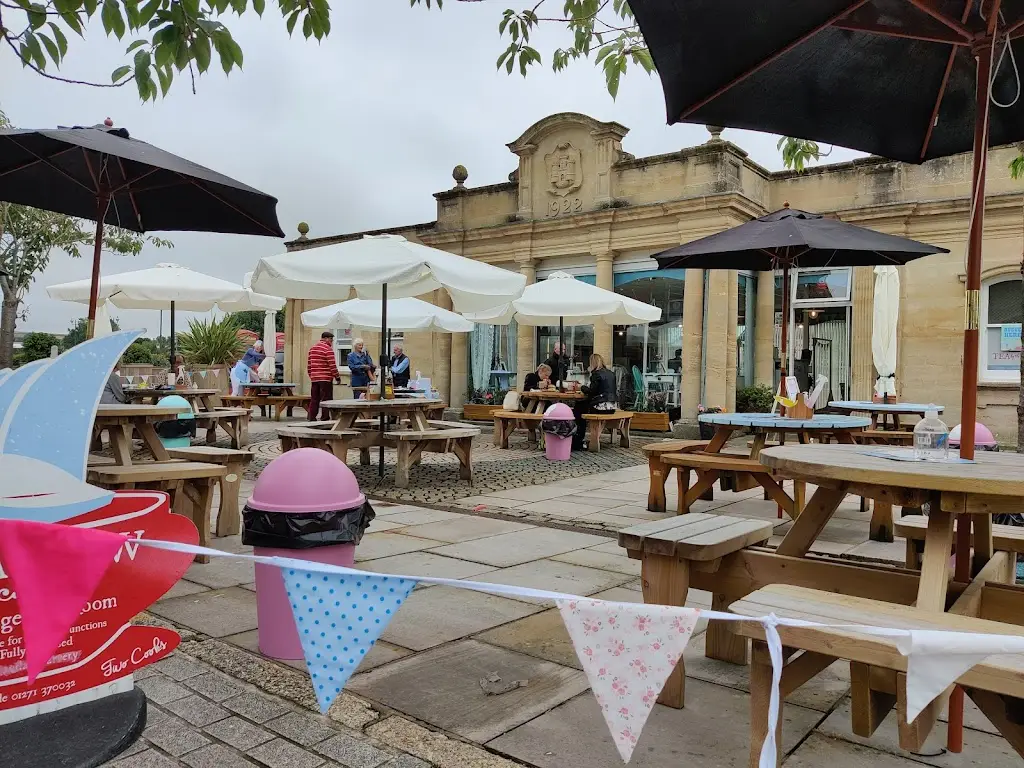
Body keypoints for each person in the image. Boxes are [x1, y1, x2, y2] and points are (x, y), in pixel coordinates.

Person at [573, 353, 618, 450]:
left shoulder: (596, 374)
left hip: (601, 406)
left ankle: (578, 438)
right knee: (581, 407)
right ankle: (578, 438)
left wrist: (582, 387)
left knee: (579, 410)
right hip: (612, 406)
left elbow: (591, 392)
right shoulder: (611, 373)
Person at [307, 331, 342, 420]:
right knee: (326, 399)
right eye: (331, 340)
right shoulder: (327, 349)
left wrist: (312, 376)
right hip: (325, 379)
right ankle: (324, 417)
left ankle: (312, 416)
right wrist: (337, 377)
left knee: (314, 399)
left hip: (314, 378)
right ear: (326, 339)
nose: (332, 342)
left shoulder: (312, 349)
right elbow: (332, 365)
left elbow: (309, 365)